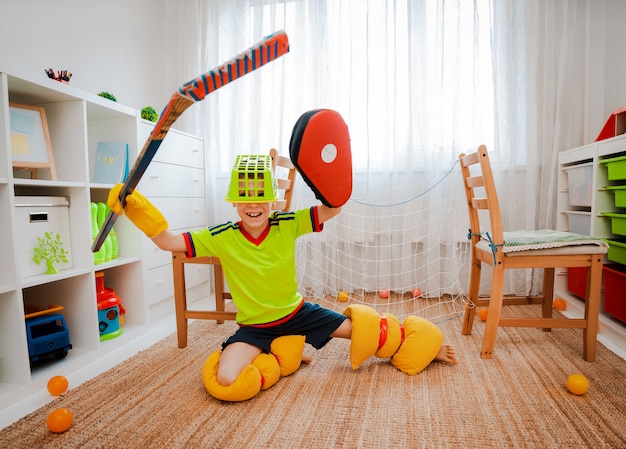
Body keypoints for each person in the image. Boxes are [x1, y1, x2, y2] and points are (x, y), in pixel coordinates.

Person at [108, 153, 457, 402]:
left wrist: (325, 172)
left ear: (273, 202)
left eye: (260, 197)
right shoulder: (222, 235)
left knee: (368, 332)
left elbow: (332, 209)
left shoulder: (287, 223)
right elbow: (170, 242)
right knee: (227, 380)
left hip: (297, 313)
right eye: (244, 198)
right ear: (234, 202)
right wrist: (137, 209)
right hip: (256, 328)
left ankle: (428, 347)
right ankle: (284, 352)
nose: (253, 205)